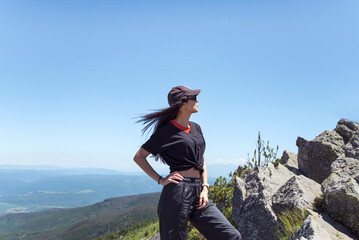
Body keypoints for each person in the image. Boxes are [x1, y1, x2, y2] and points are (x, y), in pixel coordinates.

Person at [133, 86, 242, 240]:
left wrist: (205, 187)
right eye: (193, 98)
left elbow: (201, 158)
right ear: (183, 104)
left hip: (199, 191)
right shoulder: (166, 131)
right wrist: (161, 179)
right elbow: (139, 157)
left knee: (231, 236)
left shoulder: (196, 128)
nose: (197, 100)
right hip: (178, 191)